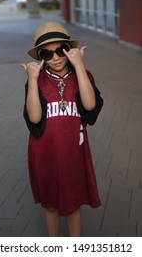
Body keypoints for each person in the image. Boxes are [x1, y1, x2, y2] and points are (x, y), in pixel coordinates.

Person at [21, 21, 103, 237]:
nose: (55, 57)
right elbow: (34, 116)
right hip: (44, 154)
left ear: (69, 50)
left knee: (73, 204)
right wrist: (32, 79)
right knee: (51, 205)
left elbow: (90, 105)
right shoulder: (36, 80)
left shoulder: (82, 75)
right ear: (40, 57)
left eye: (60, 50)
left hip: (72, 153)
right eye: (47, 54)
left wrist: (78, 66)